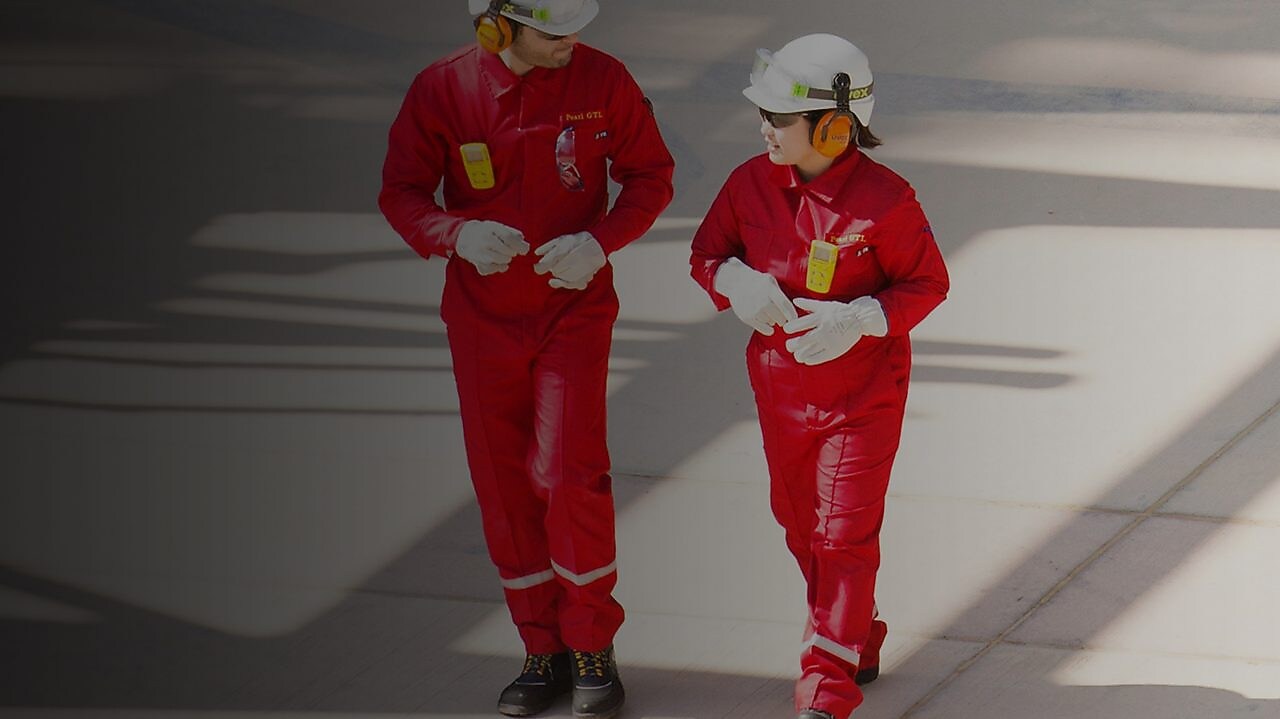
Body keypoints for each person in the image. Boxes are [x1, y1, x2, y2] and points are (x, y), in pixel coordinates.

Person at [379, 1, 675, 717]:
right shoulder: (441, 90)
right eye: (553, 32)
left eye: (579, 27)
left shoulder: (603, 81)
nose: (573, 42)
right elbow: (402, 192)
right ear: (496, 26)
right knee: (504, 483)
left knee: (568, 472)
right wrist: (455, 234)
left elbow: (649, 177)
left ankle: (591, 646)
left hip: (572, 309)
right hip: (482, 322)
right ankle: (541, 649)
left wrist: (599, 242)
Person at [689, 34, 949, 719]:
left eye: (778, 117)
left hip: (862, 400)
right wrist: (732, 279)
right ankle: (853, 634)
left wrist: (862, 317)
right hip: (781, 395)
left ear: (834, 126)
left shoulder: (886, 202)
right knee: (802, 527)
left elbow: (928, 282)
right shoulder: (748, 183)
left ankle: (825, 687)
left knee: (841, 535)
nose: (764, 128)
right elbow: (706, 252)